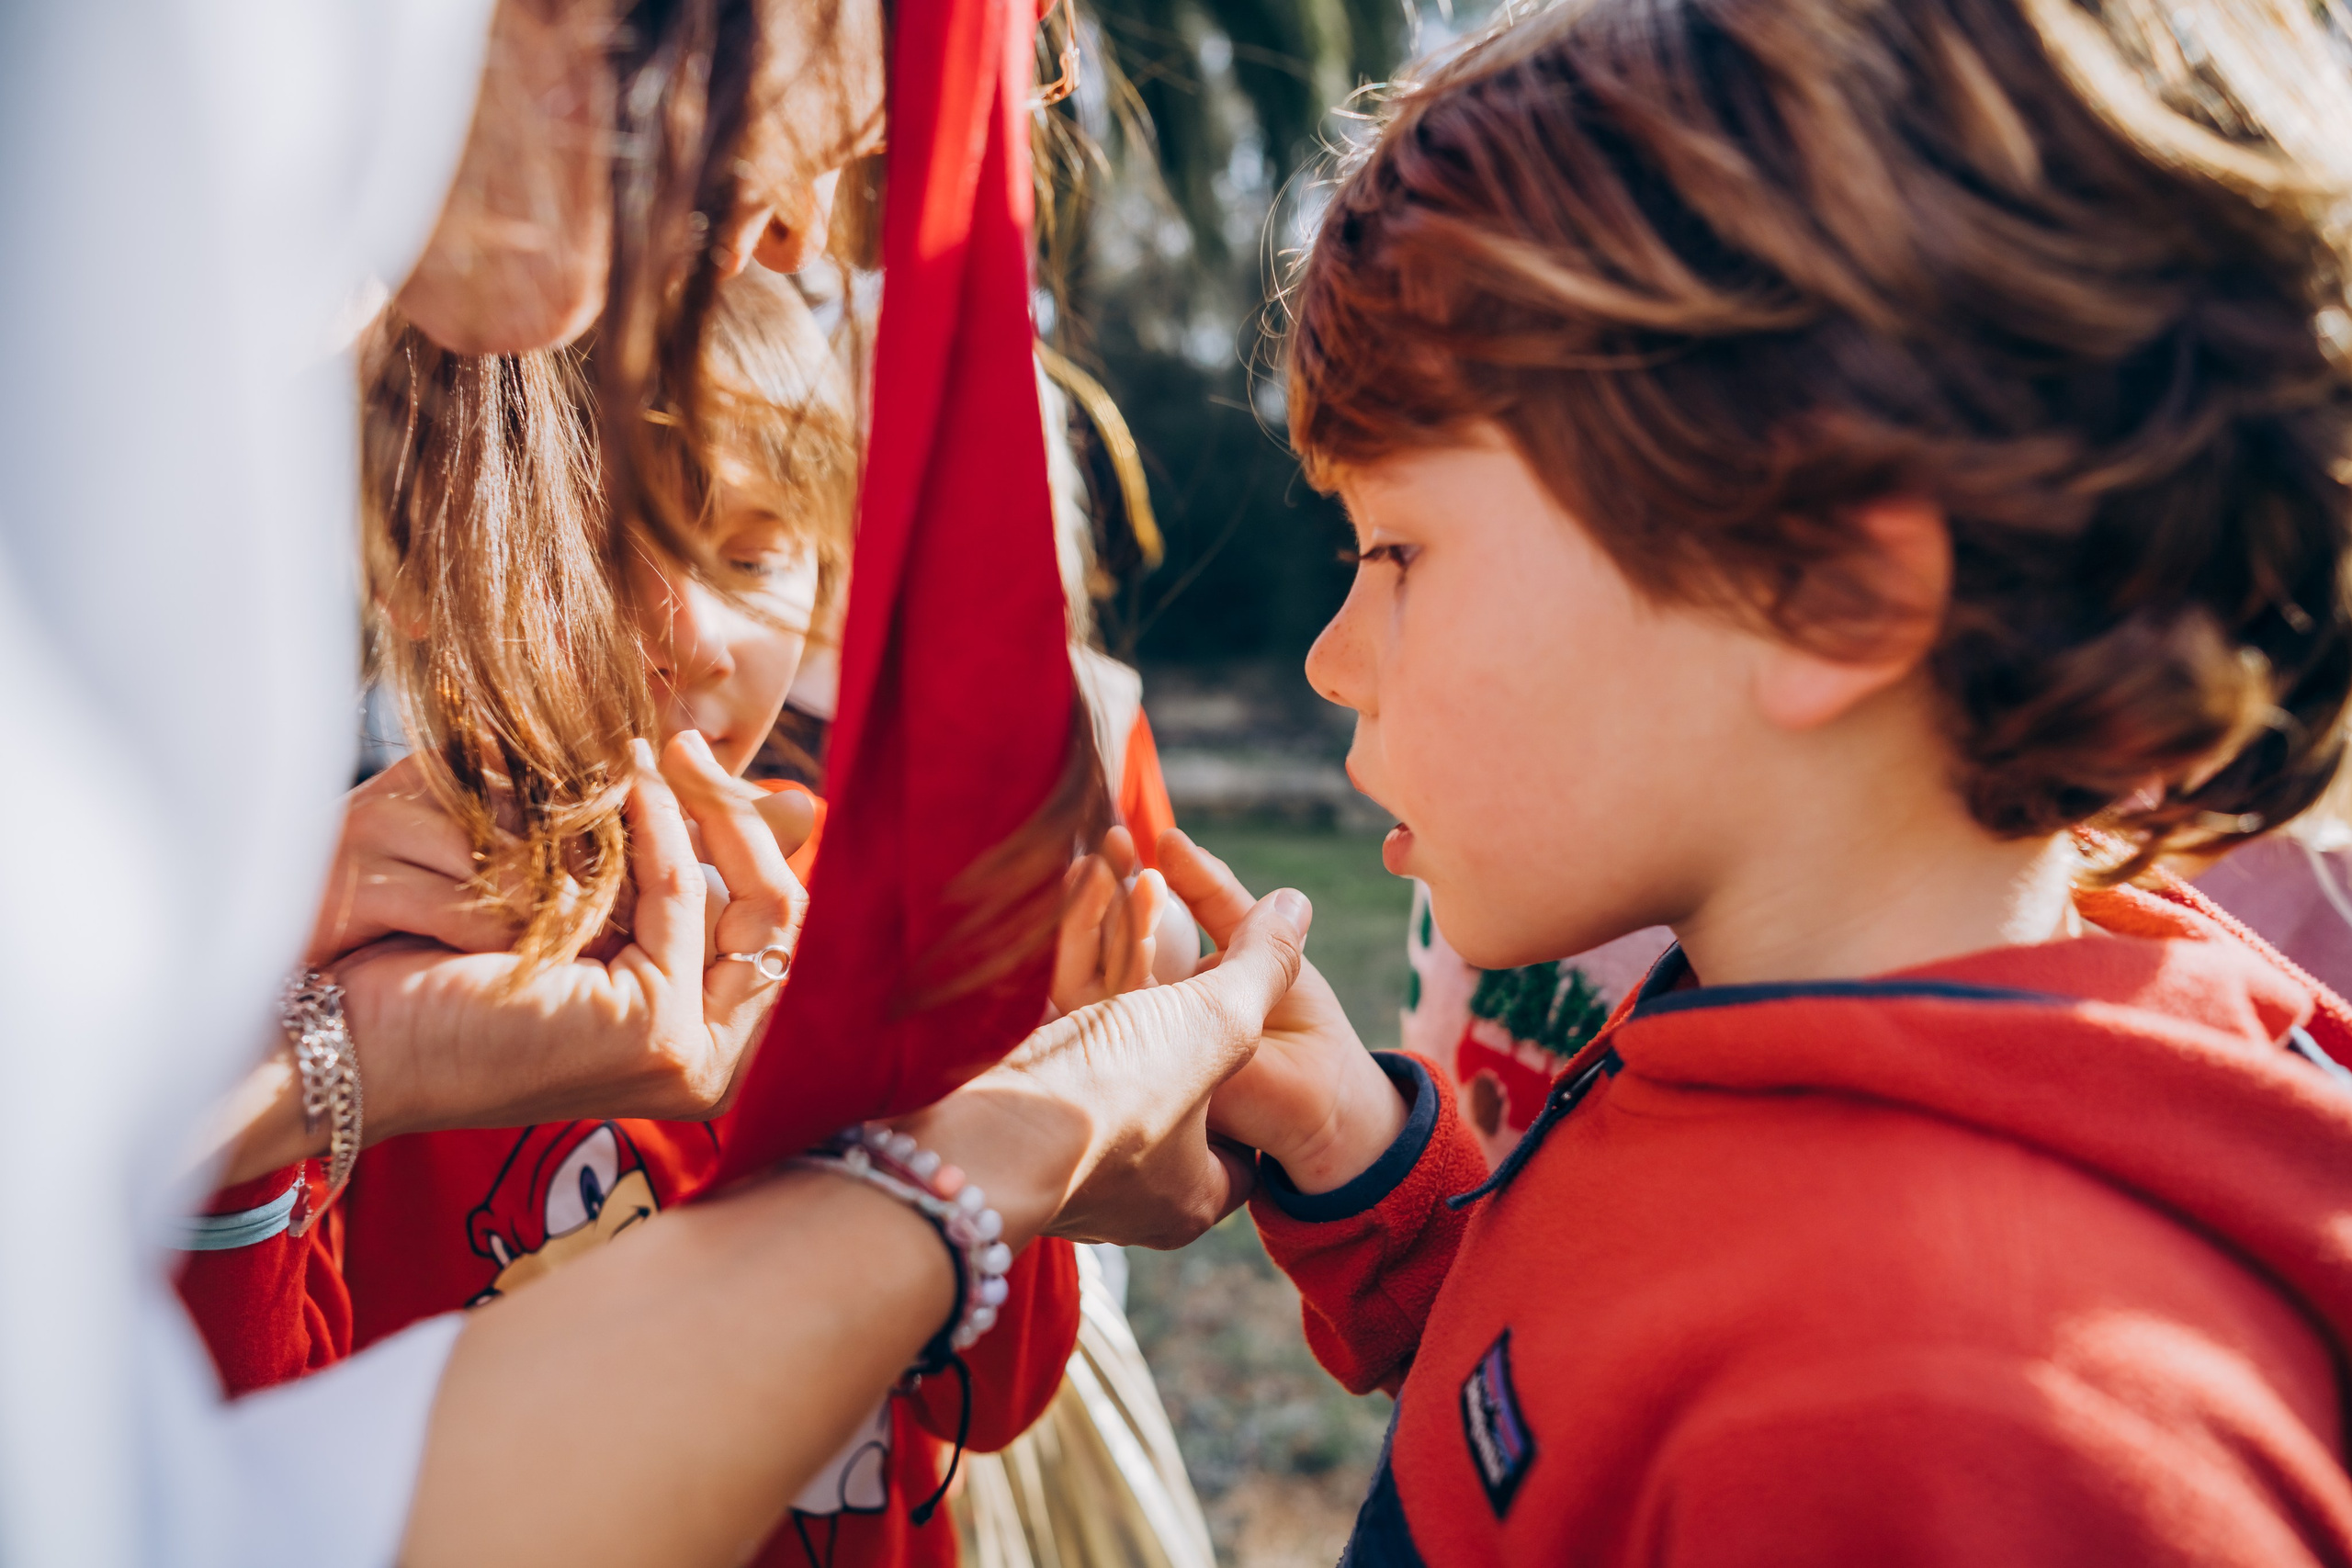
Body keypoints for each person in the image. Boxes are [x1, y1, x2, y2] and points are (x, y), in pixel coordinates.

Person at [1159, 0, 2352, 1561]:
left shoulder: (1954, 1433)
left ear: (1826, 595)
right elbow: (1593, 1397)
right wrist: (1370, 1169)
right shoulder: (1793, 1032)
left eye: (1396, 550)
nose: (1332, 656)